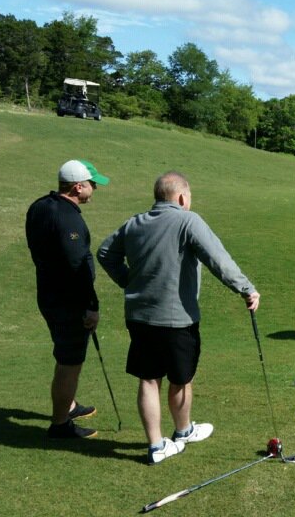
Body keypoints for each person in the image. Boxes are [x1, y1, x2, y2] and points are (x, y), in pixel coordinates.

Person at [97, 171, 260, 465]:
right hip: (176, 320)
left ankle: (158, 445)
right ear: (182, 197)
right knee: (182, 379)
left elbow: (106, 252)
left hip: (139, 317)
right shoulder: (188, 220)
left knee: (149, 380)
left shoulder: (134, 222)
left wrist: (128, 281)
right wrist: (246, 289)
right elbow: (218, 259)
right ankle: (182, 432)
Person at [26, 159, 110, 439]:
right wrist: (91, 306)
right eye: (92, 184)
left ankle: (69, 405)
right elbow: (77, 267)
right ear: (78, 186)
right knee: (69, 363)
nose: (94, 189)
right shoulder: (67, 218)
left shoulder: (40, 206)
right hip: (68, 302)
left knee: (65, 355)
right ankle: (60, 424)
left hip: (48, 295)